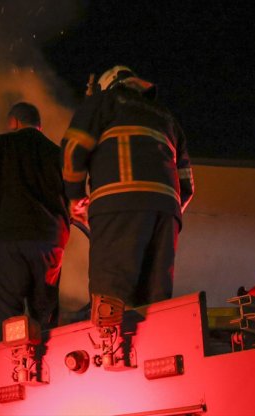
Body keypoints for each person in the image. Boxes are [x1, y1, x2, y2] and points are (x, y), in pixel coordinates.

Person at [61, 65, 194, 307]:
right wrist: (162, 211)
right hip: (166, 215)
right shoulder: (166, 117)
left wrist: (74, 196)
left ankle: (112, 344)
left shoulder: (104, 102)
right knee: (156, 301)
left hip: (118, 209)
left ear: (108, 85)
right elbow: (187, 185)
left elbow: (73, 147)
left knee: (112, 298)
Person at [0, 102, 70, 341]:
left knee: (6, 315)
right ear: (39, 126)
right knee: (44, 316)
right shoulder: (58, 154)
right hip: (51, 244)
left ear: (14, 122)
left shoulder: (2, 144)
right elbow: (74, 191)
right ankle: (48, 367)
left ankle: (9, 366)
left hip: (13, 240)